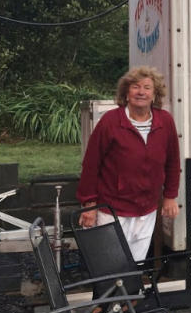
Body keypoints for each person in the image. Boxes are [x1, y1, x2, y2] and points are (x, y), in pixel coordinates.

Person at [77, 66, 181, 261]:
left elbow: (173, 162)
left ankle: (131, 292)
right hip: (112, 209)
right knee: (110, 267)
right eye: (135, 87)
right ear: (126, 93)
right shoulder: (110, 121)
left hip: (147, 209)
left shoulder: (165, 121)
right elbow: (91, 164)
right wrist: (89, 204)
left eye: (147, 87)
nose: (141, 92)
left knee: (135, 265)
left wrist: (170, 196)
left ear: (154, 94)